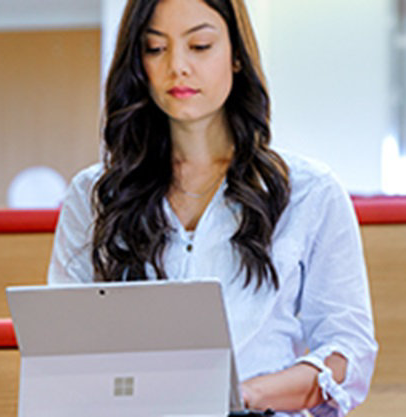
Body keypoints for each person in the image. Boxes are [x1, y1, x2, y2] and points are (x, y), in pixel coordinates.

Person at [47, 0, 378, 415]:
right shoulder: (94, 195)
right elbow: (63, 347)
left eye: (200, 46)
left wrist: (242, 394)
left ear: (236, 55)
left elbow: (349, 350)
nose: (178, 66)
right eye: (155, 48)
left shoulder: (310, 192)